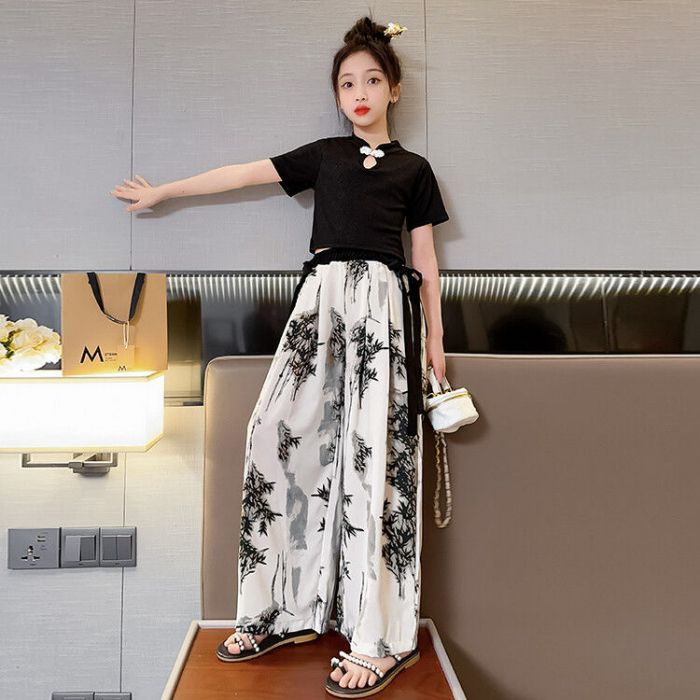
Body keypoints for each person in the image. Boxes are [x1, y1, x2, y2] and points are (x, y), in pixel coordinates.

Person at [110, 14, 449, 697]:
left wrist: (434, 346)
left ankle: (380, 637)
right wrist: (165, 191)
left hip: (384, 311)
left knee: (375, 464)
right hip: (321, 301)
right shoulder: (324, 155)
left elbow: (426, 263)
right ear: (337, 95)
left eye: (372, 80)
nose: (359, 93)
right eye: (347, 83)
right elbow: (244, 173)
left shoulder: (414, 170)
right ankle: (280, 610)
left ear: (394, 88)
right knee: (274, 433)